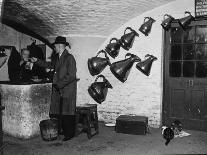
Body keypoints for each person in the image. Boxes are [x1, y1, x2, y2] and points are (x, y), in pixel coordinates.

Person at [31, 36, 77, 141]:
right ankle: (62, 131)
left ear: (60, 46)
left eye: (55, 46)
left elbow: (71, 75)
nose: (54, 48)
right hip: (59, 88)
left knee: (67, 111)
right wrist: (37, 60)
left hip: (67, 89)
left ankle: (69, 134)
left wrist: (59, 84)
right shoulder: (58, 58)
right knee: (59, 111)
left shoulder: (69, 58)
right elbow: (50, 65)